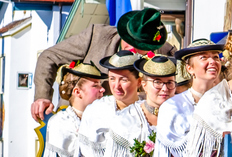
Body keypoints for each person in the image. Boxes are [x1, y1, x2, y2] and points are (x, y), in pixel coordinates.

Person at [30, 8, 176, 123]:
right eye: (129, 41)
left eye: (140, 46)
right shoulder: (96, 36)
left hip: (130, 127)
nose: (132, 48)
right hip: (78, 122)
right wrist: (42, 97)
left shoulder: (166, 54)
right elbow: (48, 57)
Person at [151, 40, 225, 157]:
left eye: (215, 57)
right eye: (204, 57)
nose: (213, 61)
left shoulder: (227, 102)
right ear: (189, 68)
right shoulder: (173, 107)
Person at [102, 55, 179, 157]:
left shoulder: (185, 117)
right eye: (157, 82)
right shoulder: (125, 120)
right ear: (144, 85)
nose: (164, 89)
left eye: (169, 82)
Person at [75, 51, 141, 157]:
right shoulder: (96, 110)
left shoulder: (145, 111)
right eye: (112, 79)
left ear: (139, 82)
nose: (116, 86)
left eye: (124, 80)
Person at [39, 62, 105, 157]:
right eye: (95, 85)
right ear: (77, 92)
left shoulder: (105, 119)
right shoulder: (60, 122)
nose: (103, 89)